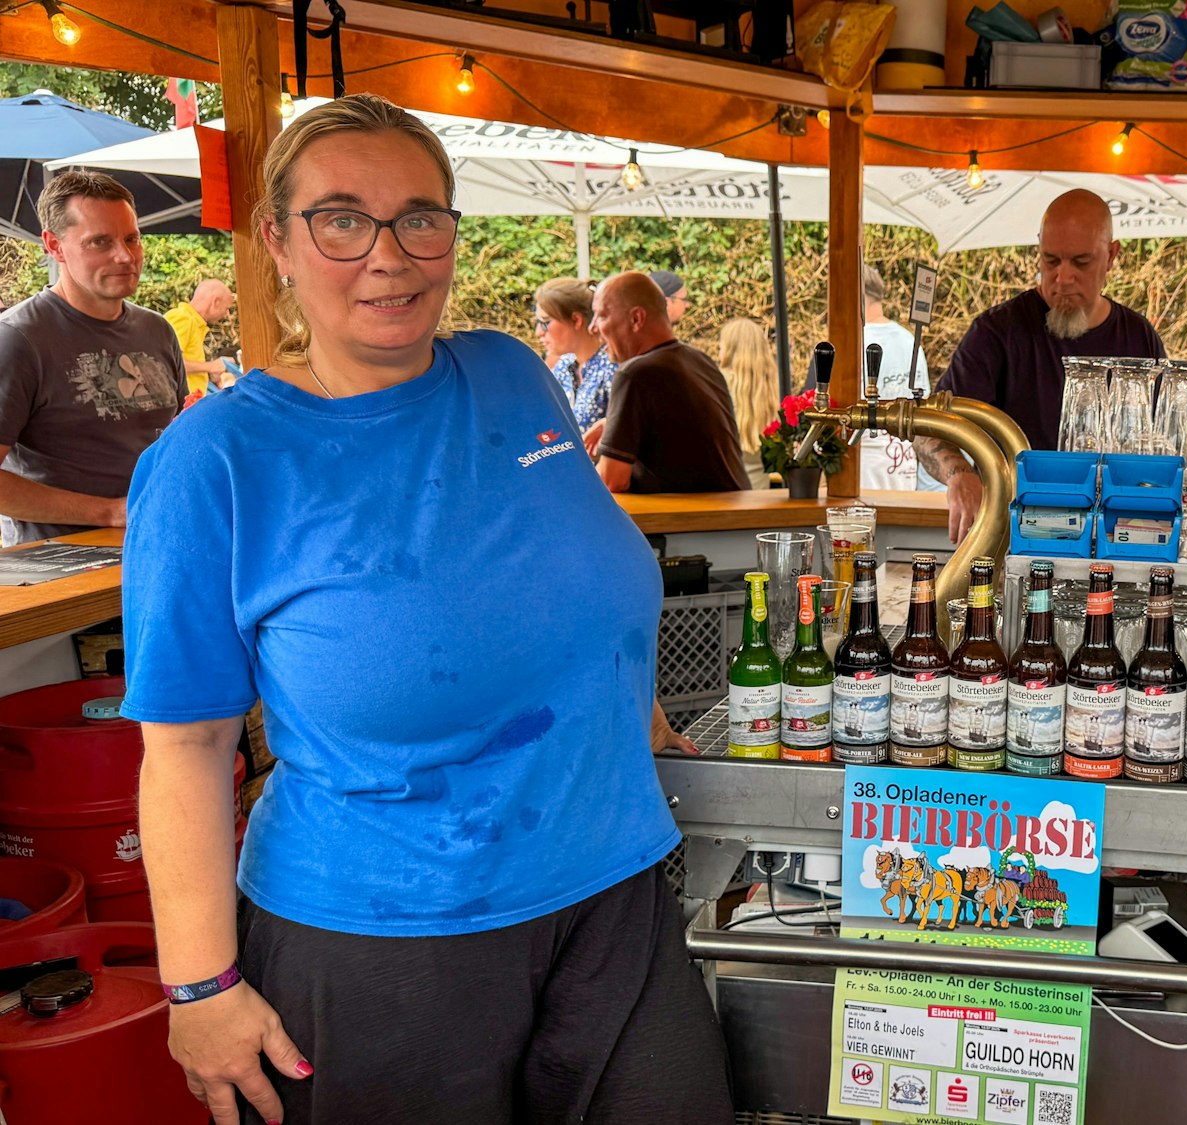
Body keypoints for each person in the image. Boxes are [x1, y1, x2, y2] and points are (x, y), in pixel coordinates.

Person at [119, 95, 729, 1125]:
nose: (390, 255)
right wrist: (199, 988)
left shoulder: (510, 373)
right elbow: (184, 750)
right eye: (342, 219)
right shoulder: (215, 460)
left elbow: (572, 592)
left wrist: (635, 714)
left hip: (614, 892)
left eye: (420, 218)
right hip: (382, 939)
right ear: (276, 240)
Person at [918, 188, 1165, 541]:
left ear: (1111, 256)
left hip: (1117, 542)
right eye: (1051, 261)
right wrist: (959, 474)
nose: (1063, 278)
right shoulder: (997, 333)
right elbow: (928, 428)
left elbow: (1164, 448)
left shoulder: (1140, 340)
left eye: (1081, 262)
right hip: (1013, 542)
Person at [0, 169, 186, 547]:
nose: (125, 255)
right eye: (100, 242)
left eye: (131, 238)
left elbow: (177, 441)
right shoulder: (18, 338)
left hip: (159, 550)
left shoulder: (158, 330)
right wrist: (108, 511)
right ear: (53, 245)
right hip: (60, 575)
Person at [589, 271, 749, 494]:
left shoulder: (635, 374)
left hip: (689, 526)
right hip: (734, 518)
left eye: (602, 316)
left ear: (636, 319)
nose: (592, 327)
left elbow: (611, 481)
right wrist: (613, 426)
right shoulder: (700, 361)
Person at [859, 264, 930, 490]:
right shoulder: (910, 340)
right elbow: (925, 409)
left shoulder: (856, 342)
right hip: (907, 465)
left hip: (866, 470)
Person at [534, 276, 615, 431]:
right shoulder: (564, 365)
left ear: (576, 320)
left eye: (545, 322)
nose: (539, 332)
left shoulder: (613, 369)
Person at [716, 316, 780, 486]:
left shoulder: (718, 384)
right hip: (761, 492)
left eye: (720, 348)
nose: (719, 354)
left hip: (726, 491)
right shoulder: (770, 390)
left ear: (729, 349)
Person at [163, 278, 237, 390]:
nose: (226, 315)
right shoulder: (182, 318)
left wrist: (210, 372)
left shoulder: (194, 323)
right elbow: (166, 362)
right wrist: (210, 367)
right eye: (227, 308)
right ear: (216, 302)